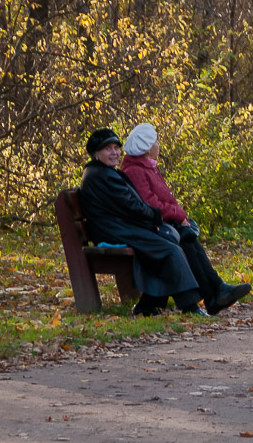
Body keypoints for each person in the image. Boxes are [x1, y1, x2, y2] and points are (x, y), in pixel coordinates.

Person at [120, 123, 252, 314]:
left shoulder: (148, 167)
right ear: (147, 148)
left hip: (161, 224)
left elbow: (165, 198)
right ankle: (212, 296)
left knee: (189, 239)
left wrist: (181, 216)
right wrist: (178, 214)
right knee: (185, 243)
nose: (158, 145)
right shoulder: (135, 171)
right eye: (156, 142)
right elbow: (150, 204)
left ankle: (217, 290)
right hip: (148, 228)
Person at [76, 128, 207, 317]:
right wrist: (155, 216)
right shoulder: (101, 175)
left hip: (119, 227)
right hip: (114, 231)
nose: (114, 153)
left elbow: (130, 204)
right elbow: (131, 205)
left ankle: (147, 305)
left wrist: (153, 217)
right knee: (170, 249)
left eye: (116, 148)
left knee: (168, 242)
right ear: (96, 153)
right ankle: (190, 306)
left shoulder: (103, 172)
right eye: (108, 149)